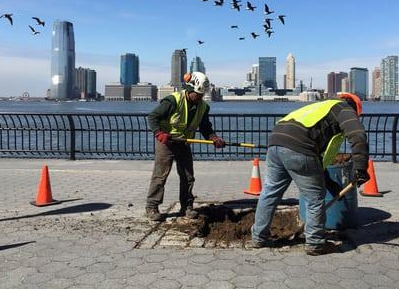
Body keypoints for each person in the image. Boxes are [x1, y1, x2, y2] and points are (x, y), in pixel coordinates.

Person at [251, 93, 371, 255]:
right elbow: (358, 135)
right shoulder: (344, 108)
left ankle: (258, 237)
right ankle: (315, 243)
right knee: (314, 198)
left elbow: (317, 163)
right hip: (299, 147)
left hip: (275, 142)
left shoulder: (319, 108)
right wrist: (361, 168)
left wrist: (330, 184)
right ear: (354, 107)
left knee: (270, 193)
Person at [145, 71, 225, 221]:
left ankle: (187, 206)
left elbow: (205, 127)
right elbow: (153, 117)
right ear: (189, 90)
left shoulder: (203, 107)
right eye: (197, 94)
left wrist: (214, 138)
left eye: (202, 94)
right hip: (166, 143)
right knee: (160, 176)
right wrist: (159, 133)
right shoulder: (173, 101)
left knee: (188, 177)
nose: (200, 97)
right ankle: (152, 207)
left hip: (184, 143)